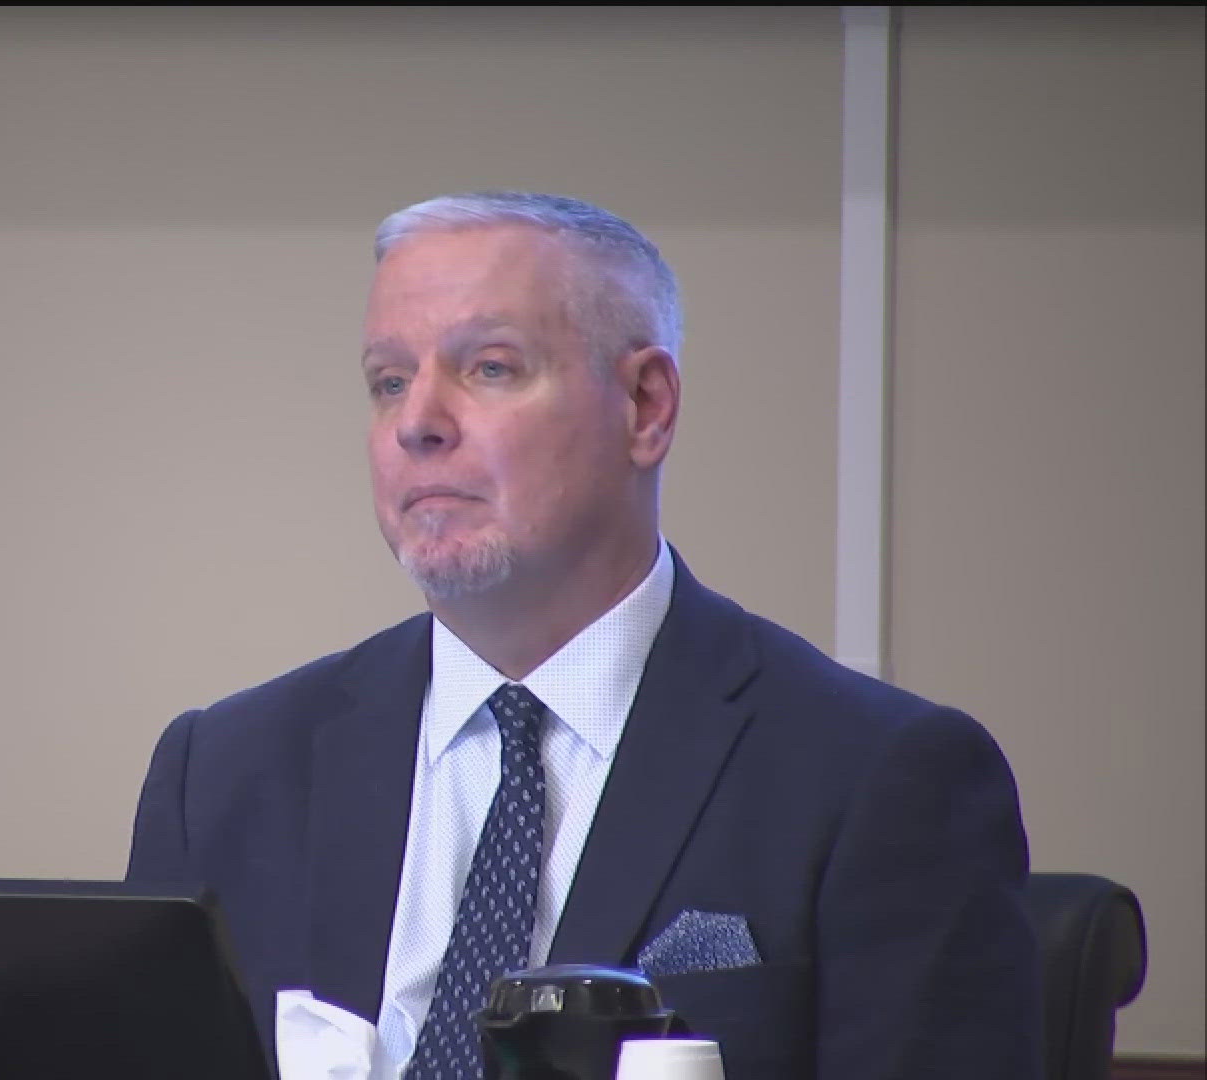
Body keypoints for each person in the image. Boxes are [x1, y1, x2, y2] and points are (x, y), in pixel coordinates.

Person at [126, 191, 1038, 1080]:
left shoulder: (878, 777)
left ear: (645, 407)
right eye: (389, 381)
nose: (417, 424)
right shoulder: (223, 775)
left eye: (489, 368)